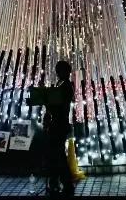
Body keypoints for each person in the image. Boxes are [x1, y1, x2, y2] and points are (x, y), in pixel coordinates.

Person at [43, 60, 75, 197]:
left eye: (58, 70)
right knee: (56, 155)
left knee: (59, 156)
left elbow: (58, 108)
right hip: (57, 124)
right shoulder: (62, 85)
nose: (56, 73)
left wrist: (46, 102)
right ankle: (55, 182)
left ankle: (66, 184)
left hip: (59, 124)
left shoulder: (65, 86)